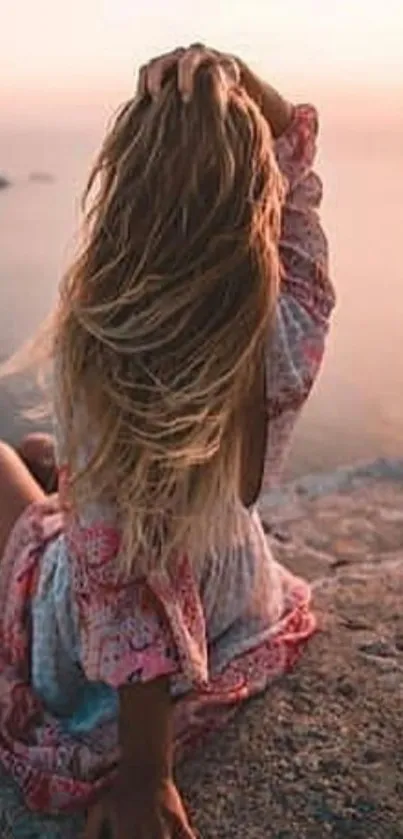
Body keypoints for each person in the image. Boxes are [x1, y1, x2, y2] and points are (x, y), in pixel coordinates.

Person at [0, 45, 335, 839]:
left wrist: (145, 776)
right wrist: (241, 85)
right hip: (231, 599)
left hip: (115, 664)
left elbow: (124, 594)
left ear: (123, 197)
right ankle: (57, 498)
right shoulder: (289, 320)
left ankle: (50, 506)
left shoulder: (108, 362)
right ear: (255, 199)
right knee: (60, 467)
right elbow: (299, 173)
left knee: (12, 465)